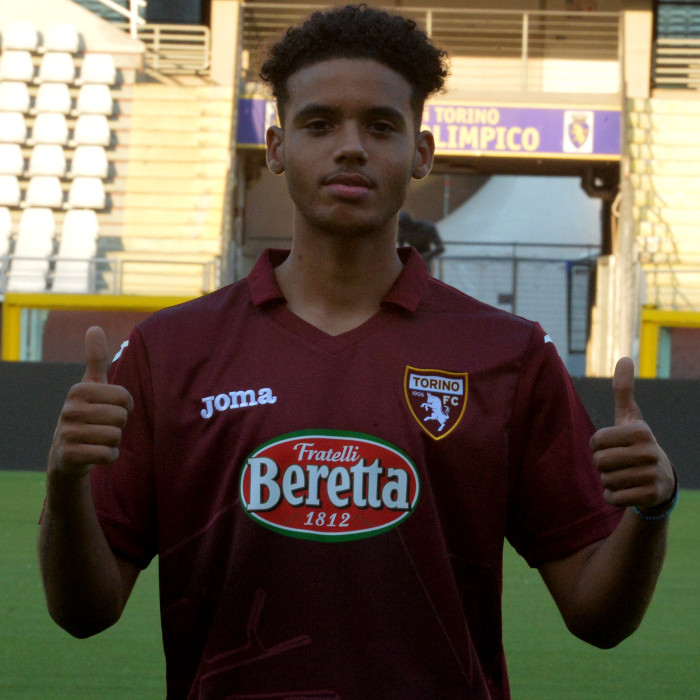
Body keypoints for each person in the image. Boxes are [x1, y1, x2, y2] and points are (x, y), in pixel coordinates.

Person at [39, 5, 678, 699]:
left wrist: (650, 511)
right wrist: (66, 483)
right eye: (319, 125)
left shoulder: (508, 354)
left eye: (380, 125)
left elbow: (597, 615)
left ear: (421, 153)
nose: (350, 148)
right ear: (277, 148)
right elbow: (83, 613)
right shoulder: (169, 350)